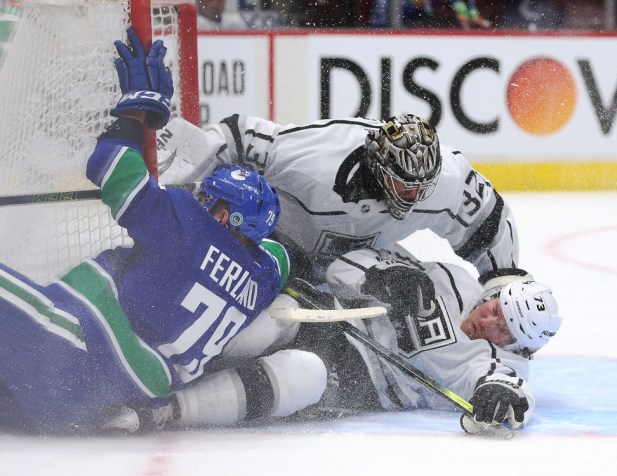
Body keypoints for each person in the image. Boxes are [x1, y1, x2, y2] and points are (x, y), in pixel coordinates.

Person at [0, 27, 326, 434]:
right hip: (86, 407)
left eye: (210, 200)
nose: (200, 201)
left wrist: (139, 109)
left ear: (224, 217)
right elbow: (278, 255)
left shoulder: (190, 226)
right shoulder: (261, 278)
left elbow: (111, 166)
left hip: (65, 348)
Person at [156, 113, 526, 295]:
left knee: (411, 296)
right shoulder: (316, 156)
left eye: (422, 187)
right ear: (379, 167)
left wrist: (503, 287)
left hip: (354, 263)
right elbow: (236, 134)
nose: (414, 197)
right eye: (404, 185)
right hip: (275, 245)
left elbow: (489, 222)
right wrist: (174, 185)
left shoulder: (449, 181)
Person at [291, 248, 562, 433]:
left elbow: (515, 391)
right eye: (494, 310)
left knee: (299, 374)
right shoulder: (452, 278)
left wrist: (501, 395)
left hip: (363, 378)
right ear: (491, 296)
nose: (488, 323)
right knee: (276, 318)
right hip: (338, 317)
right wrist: (380, 275)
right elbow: (346, 264)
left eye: (503, 330)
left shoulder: (496, 362)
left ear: (516, 346)